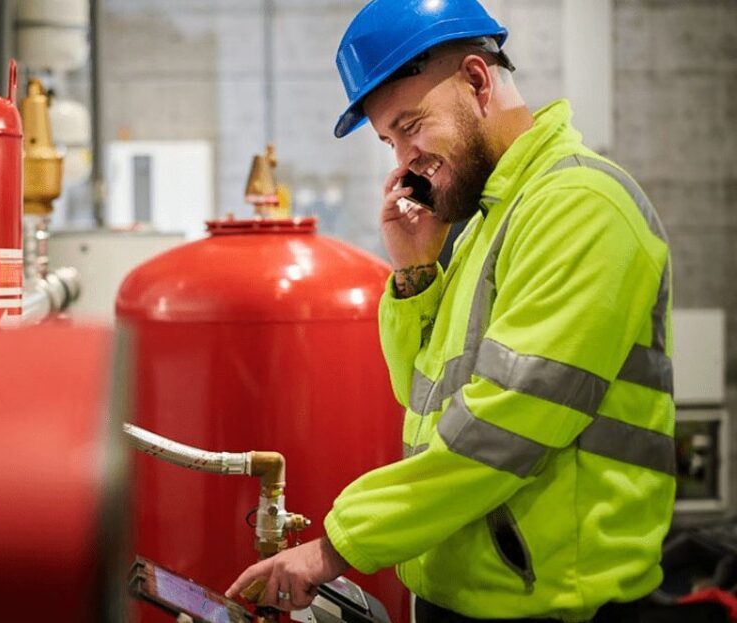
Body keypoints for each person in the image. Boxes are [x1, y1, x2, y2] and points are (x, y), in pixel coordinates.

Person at [226, 1, 676, 621]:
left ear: (477, 80)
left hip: (555, 609)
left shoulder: (580, 206)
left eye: (410, 126)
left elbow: (506, 425)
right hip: (469, 595)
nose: (403, 160)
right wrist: (415, 271)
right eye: (390, 142)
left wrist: (338, 545)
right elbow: (419, 394)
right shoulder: (489, 220)